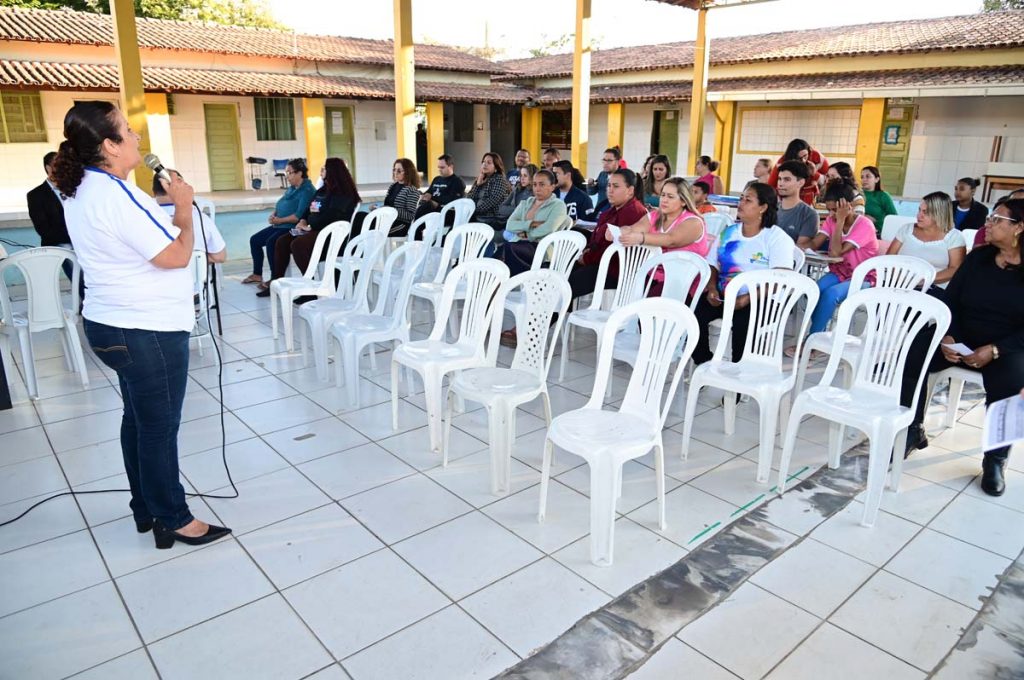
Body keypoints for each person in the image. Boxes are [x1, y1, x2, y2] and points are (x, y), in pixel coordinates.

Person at [55, 101, 230, 548]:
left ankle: (146, 508)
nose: (136, 137)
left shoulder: (86, 187)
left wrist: (175, 212)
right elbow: (174, 256)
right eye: (128, 131)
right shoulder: (114, 195)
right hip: (144, 330)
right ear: (110, 146)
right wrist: (184, 208)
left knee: (137, 420)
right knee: (158, 427)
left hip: (112, 324)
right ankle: (173, 517)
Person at [903, 198, 1024, 496]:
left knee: (1013, 377)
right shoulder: (978, 258)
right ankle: (912, 428)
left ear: (1019, 228)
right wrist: (947, 336)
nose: (988, 223)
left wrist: (994, 350)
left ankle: (995, 458)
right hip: (961, 336)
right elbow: (951, 300)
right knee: (914, 351)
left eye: (997, 219)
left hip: (1006, 346)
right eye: (990, 217)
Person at [693, 182, 795, 365]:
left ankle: (738, 374)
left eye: (748, 200)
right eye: (741, 198)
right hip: (726, 295)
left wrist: (747, 298)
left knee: (743, 325)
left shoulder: (776, 237)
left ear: (763, 207)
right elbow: (712, 264)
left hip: (762, 299)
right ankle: (705, 363)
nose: (741, 203)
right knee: (693, 314)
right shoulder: (729, 233)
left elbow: (781, 279)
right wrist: (712, 288)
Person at [258, 158, 361, 297]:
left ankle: (309, 289)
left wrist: (311, 224)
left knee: (298, 245)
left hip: (331, 236)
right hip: (315, 230)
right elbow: (309, 209)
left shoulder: (343, 194)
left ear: (333, 171)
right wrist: (303, 221)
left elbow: (332, 217)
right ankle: (276, 282)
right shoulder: (322, 191)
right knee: (282, 241)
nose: (321, 171)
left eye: (324, 169)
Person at [793, 179, 878, 346]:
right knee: (815, 290)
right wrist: (796, 247)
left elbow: (836, 252)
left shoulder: (864, 225)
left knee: (831, 294)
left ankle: (811, 341)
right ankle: (818, 336)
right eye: (829, 210)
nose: (831, 214)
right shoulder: (831, 220)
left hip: (864, 277)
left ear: (848, 206)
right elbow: (815, 243)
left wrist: (840, 221)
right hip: (841, 273)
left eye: (835, 210)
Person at [615, 177, 709, 296]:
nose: (664, 200)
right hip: (655, 275)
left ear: (683, 201)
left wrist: (641, 238)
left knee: (645, 302)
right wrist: (620, 231)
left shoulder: (693, 222)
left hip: (683, 282)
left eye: (670, 197)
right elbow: (634, 229)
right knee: (627, 292)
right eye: (663, 195)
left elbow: (671, 240)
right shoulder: (655, 216)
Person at [568, 167, 649, 304]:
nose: (610, 190)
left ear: (630, 190)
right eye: (609, 185)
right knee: (559, 271)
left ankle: (552, 316)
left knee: (570, 282)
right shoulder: (613, 209)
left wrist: (586, 258)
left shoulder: (633, 211)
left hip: (615, 271)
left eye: (616, 186)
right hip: (598, 262)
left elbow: (614, 249)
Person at [243, 158, 315, 285]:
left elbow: (298, 216)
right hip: (280, 225)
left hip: (291, 227)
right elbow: (282, 203)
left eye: (290, 173)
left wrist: (279, 220)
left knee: (272, 242)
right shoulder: (292, 188)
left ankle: (274, 278)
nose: (287, 176)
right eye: (286, 172)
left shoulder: (307, 190)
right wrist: (274, 214)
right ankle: (257, 274)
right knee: (254, 240)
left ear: (299, 173)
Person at [494, 169, 568, 277]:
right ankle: (502, 280)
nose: (537, 188)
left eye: (542, 184)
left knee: (508, 249)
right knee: (498, 256)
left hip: (541, 248)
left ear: (552, 186)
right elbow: (510, 225)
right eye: (534, 184)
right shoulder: (525, 203)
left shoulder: (558, 205)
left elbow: (549, 228)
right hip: (519, 243)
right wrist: (531, 224)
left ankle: (511, 281)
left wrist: (526, 234)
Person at [887, 191, 966, 289]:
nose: (919, 215)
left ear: (939, 214)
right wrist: (899, 278)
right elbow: (888, 258)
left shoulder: (954, 237)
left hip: (934, 287)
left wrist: (925, 280)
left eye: (925, 212)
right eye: (919, 210)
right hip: (899, 284)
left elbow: (955, 269)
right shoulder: (906, 229)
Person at [152, 171, 226, 264]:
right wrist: (195, 259)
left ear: (153, 192)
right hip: (195, 273)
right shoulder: (202, 219)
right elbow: (220, 256)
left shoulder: (144, 220)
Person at [26, 151, 75, 281]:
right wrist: (74, 235)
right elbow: (44, 230)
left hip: (84, 241)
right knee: (80, 278)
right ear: (48, 168)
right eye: (59, 165)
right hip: (61, 244)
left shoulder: (74, 189)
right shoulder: (36, 195)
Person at [768, 139, 829, 206]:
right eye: (799, 158)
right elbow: (771, 185)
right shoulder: (782, 162)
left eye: (805, 156)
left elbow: (829, 180)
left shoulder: (818, 157)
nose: (803, 160)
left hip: (811, 199)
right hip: (788, 200)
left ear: (809, 151)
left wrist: (815, 174)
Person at [775, 160, 819, 249]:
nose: (780, 184)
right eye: (779, 179)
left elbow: (800, 248)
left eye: (787, 179)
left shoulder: (809, 214)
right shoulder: (770, 208)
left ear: (801, 183)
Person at [467, 151, 513, 232]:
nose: (485, 164)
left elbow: (491, 201)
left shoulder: (499, 180)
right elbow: (469, 198)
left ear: (496, 167)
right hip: (479, 216)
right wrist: (478, 185)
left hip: (492, 218)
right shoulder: (480, 178)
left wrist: (473, 211)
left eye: (489, 163)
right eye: (483, 162)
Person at [416, 154, 466, 224]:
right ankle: (414, 226)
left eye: (442, 167)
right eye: (438, 167)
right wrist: (425, 195)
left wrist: (434, 201)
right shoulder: (436, 179)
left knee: (426, 208)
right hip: (432, 210)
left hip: (447, 212)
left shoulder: (457, 181)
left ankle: (414, 226)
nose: (439, 170)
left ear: (451, 167)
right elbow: (429, 191)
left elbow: (453, 200)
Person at [381, 158, 421, 237]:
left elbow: (411, 215)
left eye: (399, 171)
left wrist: (392, 210)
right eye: (394, 170)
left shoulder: (412, 190)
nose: (395, 173)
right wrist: (378, 209)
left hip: (401, 225)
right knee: (360, 217)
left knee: (372, 230)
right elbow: (387, 206)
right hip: (388, 221)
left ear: (408, 172)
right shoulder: (393, 186)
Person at [552, 160, 593, 224]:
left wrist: (575, 223)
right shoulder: (549, 196)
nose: (554, 178)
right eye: (553, 174)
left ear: (568, 175)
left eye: (557, 174)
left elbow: (590, 224)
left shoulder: (583, 199)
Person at [861, 165, 897, 234]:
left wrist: (876, 221)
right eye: (862, 177)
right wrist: (863, 217)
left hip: (878, 233)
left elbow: (893, 217)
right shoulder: (856, 194)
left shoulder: (883, 196)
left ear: (877, 179)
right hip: (858, 231)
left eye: (868, 176)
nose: (864, 179)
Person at [590, 147, 622, 217]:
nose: (605, 163)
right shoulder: (602, 174)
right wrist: (591, 185)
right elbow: (592, 192)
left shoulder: (623, 176)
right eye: (604, 160)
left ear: (618, 161)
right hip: (600, 211)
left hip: (615, 213)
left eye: (609, 161)